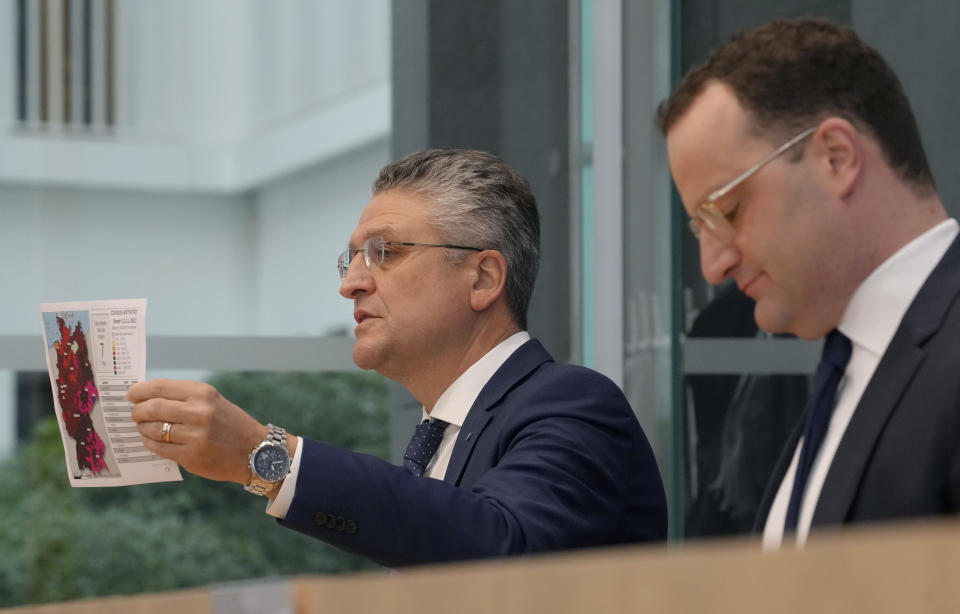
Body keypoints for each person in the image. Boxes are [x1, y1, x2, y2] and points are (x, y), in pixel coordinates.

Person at [129, 148, 668, 567]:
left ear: (482, 278)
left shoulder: (571, 401)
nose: (351, 284)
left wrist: (265, 456)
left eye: (385, 252)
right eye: (351, 259)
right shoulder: (442, 433)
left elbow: (499, 546)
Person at [656, 18, 960, 548]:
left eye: (728, 210)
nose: (713, 266)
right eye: (699, 228)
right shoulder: (841, 375)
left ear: (836, 158)